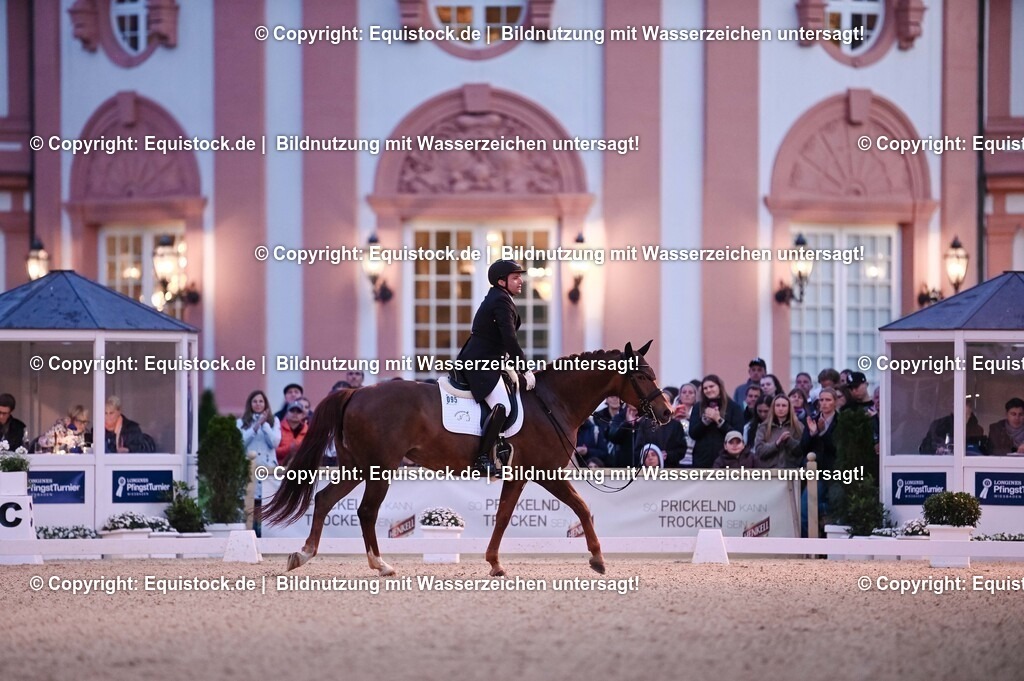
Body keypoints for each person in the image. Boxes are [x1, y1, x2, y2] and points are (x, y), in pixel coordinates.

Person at [457, 259, 536, 475]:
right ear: (502, 281)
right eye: (515, 277)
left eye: (520, 276)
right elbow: (509, 339)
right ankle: (482, 458)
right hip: (480, 364)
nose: (521, 281)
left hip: (490, 361)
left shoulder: (501, 297)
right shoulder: (500, 301)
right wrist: (525, 368)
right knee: (503, 405)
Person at [236, 390, 281, 537]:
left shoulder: (274, 422)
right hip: (249, 470)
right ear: (250, 404)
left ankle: (265, 538)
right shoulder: (241, 422)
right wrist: (255, 426)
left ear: (265, 404)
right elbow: (241, 442)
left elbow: (275, 442)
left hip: (267, 471)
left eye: (261, 401)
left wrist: (265, 425)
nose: (258, 404)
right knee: (251, 505)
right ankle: (251, 536)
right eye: (255, 401)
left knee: (266, 505)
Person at [690, 374, 745, 468]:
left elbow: (737, 434)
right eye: (705, 388)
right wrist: (704, 422)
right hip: (702, 460)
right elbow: (693, 433)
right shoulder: (698, 407)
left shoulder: (734, 407)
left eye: (711, 386)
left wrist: (718, 420)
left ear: (719, 387)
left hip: (726, 460)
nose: (708, 390)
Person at [754, 394, 804, 469]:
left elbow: (802, 451)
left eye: (784, 406)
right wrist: (776, 443)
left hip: (791, 472)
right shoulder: (763, 427)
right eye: (777, 405)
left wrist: (789, 441)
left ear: (789, 408)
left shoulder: (798, 426)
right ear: (773, 408)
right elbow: (759, 451)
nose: (780, 409)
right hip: (769, 472)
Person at [919, 400, 984, 455]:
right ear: (953, 411)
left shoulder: (977, 430)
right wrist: (936, 450)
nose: (962, 418)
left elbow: (982, 453)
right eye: (959, 414)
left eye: (966, 415)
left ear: (970, 414)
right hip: (941, 465)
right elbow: (924, 448)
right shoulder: (938, 426)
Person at [276, 400, 309, 465]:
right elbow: (273, 452)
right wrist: (290, 448)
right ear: (286, 413)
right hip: (280, 468)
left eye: (298, 411)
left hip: (302, 467)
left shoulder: (308, 431)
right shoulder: (278, 428)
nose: (295, 413)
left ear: (303, 415)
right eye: (292, 411)